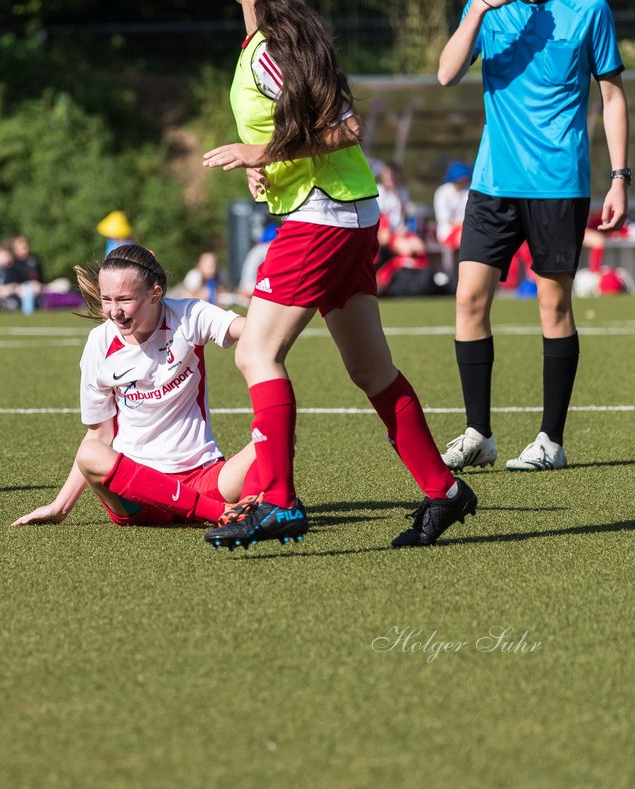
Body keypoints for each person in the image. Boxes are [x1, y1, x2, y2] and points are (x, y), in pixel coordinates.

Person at [201, 0, 476, 550]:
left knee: (255, 353)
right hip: (343, 213)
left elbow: (345, 128)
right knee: (371, 369)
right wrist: (265, 165)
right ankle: (444, 490)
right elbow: (300, 128)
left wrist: (260, 150)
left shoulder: (270, 49)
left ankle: (277, 501)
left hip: (321, 217)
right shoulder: (265, 44)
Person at [437, 0, 629, 472]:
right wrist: (479, 9)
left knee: (554, 305)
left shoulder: (590, 10)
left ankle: (551, 441)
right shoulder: (483, 9)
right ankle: (478, 433)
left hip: (558, 182)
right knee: (469, 300)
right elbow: (446, 73)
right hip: (492, 183)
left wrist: (619, 177)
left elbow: (613, 95)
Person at [12, 244, 258, 530]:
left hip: (203, 478)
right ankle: (219, 513)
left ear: (155, 294)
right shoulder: (98, 343)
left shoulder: (188, 315)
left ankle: (237, 508)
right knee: (90, 453)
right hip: (139, 495)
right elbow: (100, 434)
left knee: (278, 435)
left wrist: (284, 309)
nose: (114, 311)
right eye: (107, 299)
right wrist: (60, 506)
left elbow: (248, 328)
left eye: (124, 299)